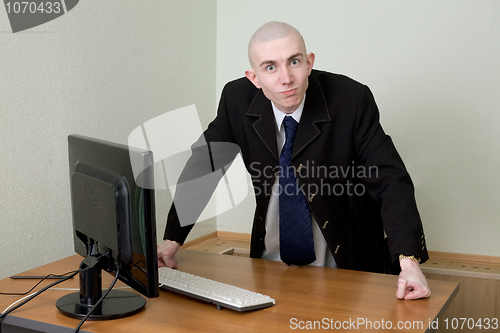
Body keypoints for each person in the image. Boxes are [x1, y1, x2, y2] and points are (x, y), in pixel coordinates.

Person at [158, 21, 431, 300]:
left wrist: (408, 263)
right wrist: (171, 241)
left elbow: (390, 181)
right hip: (267, 267)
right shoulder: (236, 100)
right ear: (254, 78)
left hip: (346, 269)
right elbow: (204, 167)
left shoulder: (351, 99)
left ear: (309, 62)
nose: (286, 78)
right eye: (270, 67)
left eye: (294, 62)